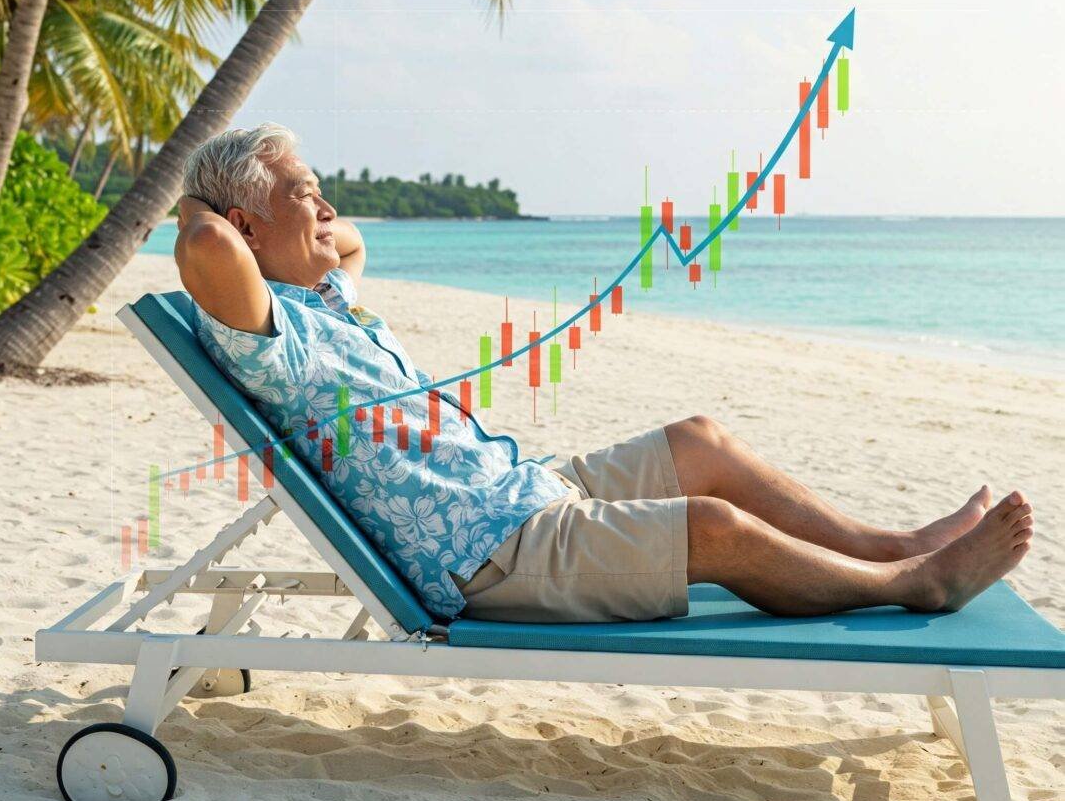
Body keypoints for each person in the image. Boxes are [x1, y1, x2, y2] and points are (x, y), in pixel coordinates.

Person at [174, 123, 1034, 625]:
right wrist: (203, 193)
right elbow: (206, 241)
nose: (328, 211)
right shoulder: (268, 332)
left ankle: (891, 544)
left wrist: (294, 208)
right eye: (305, 193)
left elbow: (346, 241)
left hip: (524, 489)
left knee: (701, 441)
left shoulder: (325, 297)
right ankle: (914, 583)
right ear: (246, 224)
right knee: (713, 525)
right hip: (491, 553)